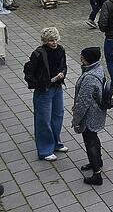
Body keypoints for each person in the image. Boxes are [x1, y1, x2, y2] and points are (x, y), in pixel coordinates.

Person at [23, 27, 67, 161]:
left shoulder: (61, 50)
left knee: (58, 116)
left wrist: (63, 74)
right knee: (43, 120)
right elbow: (29, 74)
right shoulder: (38, 54)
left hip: (57, 87)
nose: (54, 43)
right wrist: (41, 84)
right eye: (51, 40)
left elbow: (64, 66)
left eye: (55, 40)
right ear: (45, 41)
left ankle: (55, 143)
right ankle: (45, 150)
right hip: (44, 90)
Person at [72, 47, 107, 186]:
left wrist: (76, 120)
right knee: (94, 137)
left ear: (85, 59)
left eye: (82, 57)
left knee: (90, 141)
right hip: (98, 112)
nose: (80, 58)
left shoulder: (89, 78)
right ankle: (97, 161)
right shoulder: (98, 69)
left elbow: (83, 103)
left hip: (90, 115)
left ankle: (97, 174)